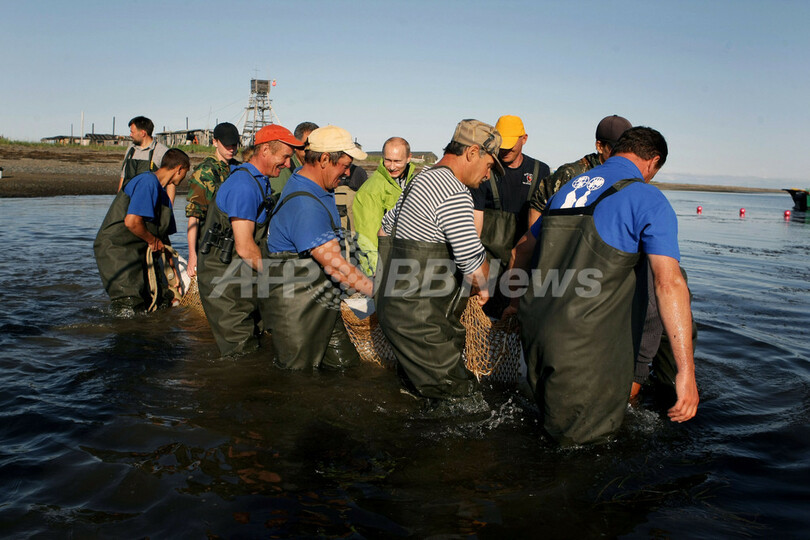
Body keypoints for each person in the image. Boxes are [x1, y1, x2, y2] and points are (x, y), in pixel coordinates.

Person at [517, 126, 699, 446]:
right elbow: (668, 283)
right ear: (652, 161)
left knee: (546, 432)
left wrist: (511, 302)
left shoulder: (567, 188)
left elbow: (522, 248)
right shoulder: (647, 197)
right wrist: (686, 371)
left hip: (537, 332)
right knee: (584, 455)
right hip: (584, 350)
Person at [376, 119, 500, 416]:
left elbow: (385, 229)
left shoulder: (421, 179)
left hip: (394, 311)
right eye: (489, 164)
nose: (488, 174)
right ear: (472, 152)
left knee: (416, 397)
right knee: (464, 405)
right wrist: (485, 287)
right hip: (422, 322)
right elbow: (471, 259)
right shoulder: (453, 191)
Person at [265, 125, 374, 370]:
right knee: (299, 380)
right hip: (296, 310)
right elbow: (337, 268)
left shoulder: (318, 186)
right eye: (344, 165)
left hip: (323, 301)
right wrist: (379, 291)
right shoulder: (306, 204)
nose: (347, 173)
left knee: (347, 368)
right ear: (324, 159)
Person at [196, 124, 304, 356]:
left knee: (260, 342)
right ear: (265, 150)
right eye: (284, 157)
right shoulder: (244, 186)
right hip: (224, 284)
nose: (288, 165)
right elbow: (245, 248)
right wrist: (280, 280)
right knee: (241, 353)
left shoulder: (260, 181)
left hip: (243, 277)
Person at [469, 115, 549, 316]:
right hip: (488, 263)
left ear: (524, 139)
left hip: (522, 264)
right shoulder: (484, 168)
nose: (504, 150)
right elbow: (474, 226)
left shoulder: (541, 171)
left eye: (510, 144)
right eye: (501, 144)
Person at [95, 148, 190, 312]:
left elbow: (163, 238)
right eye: (185, 173)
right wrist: (152, 241)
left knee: (158, 301)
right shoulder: (147, 181)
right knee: (130, 304)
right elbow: (132, 222)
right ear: (179, 169)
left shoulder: (163, 196)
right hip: (117, 250)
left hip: (139, 251)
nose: (184, 177)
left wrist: (172, 270)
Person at [527, 114, 632, 225]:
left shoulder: (627, 178)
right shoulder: (571, 174)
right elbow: (537, 205)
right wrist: (539, 240)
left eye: (627, 149)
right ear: (600, 146)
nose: (622, 154)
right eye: (616, 149)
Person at [352, 136, 417, 275]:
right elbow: (367, 239)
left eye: (398, 161)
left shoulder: (416, 183)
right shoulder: (370, 191)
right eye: (388, 160)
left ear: (409, 158)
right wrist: (377, 274)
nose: (392, 166)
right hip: (385, 270)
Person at [185, 122, 241, 277]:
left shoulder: (239, 168)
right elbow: (194, 216)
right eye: (227, 145)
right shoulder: (205, 172)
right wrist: (192, 255)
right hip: (210, 243)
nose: (231, 149)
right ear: (215, 142)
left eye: (234, 145)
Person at [117, 116, 172, 202]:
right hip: (127, 203)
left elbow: (170, 183)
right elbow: (123, 177)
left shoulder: (162, 151)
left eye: (132, 132)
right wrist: (118, 202)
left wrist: (169, 209)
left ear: (143, 133)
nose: (130, 135)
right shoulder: (130, 149)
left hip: (150, 205)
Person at [273, 121, 319, 195]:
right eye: (306, 145)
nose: (311, 152)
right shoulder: (283, 171)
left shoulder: (318, 171)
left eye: (316, 147)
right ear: (296, 146)